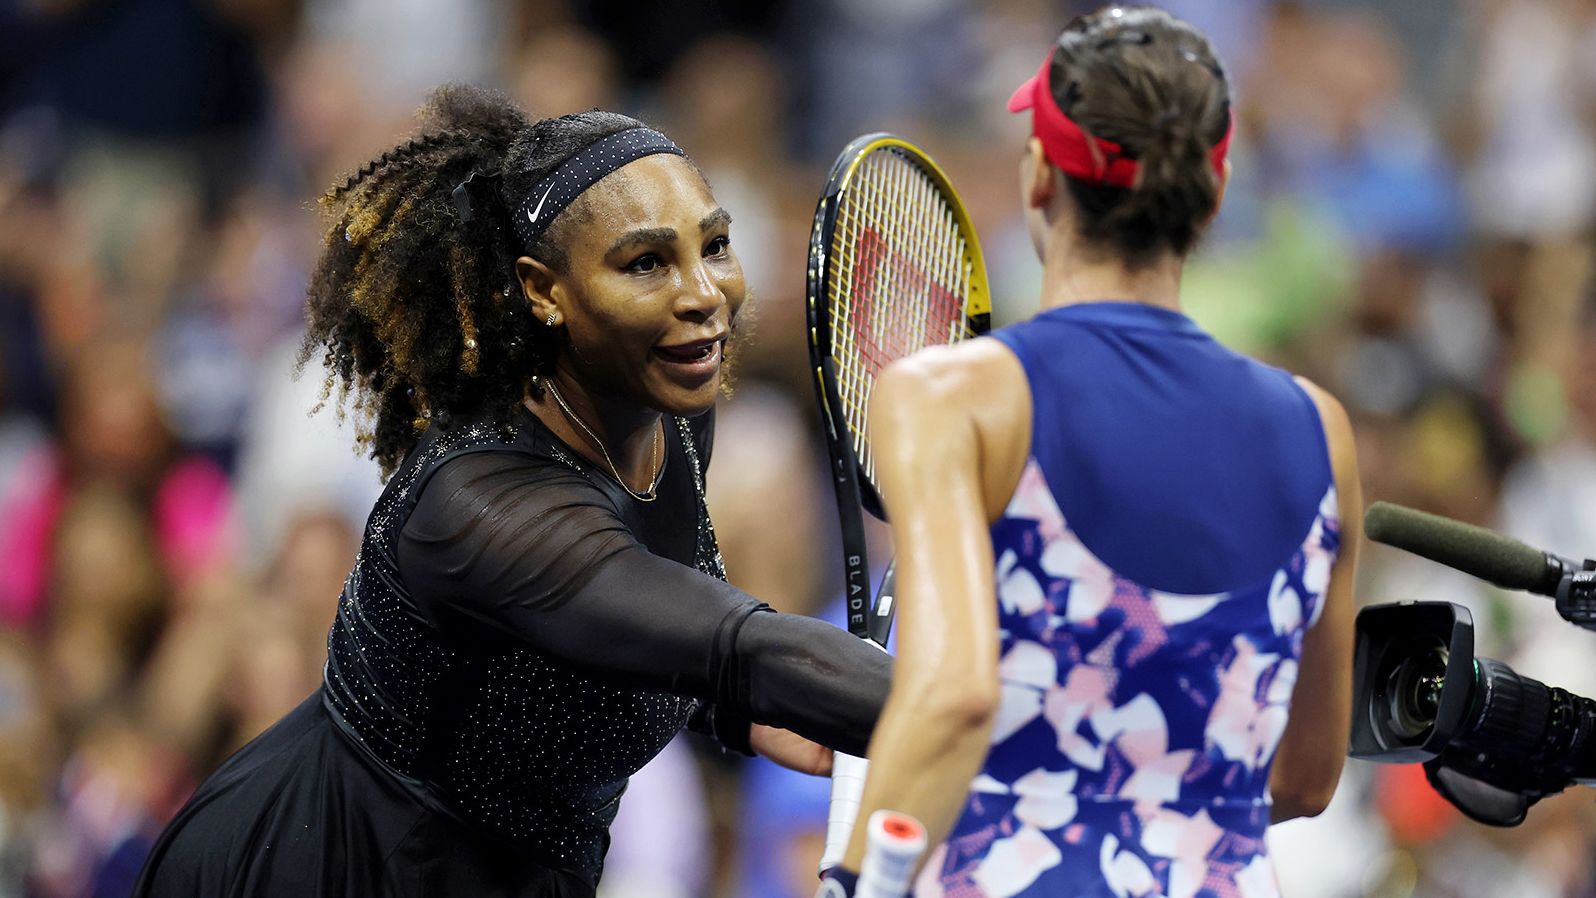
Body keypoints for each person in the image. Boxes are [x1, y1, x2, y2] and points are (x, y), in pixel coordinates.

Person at [133, 85, 893, 898]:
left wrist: (742, 714)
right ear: (543, 289)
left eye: (713, 245)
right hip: (325, 866)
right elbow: (729, 642)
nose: (702, 293)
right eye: (646, 262)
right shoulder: (482, 510)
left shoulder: (666, 408)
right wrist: (980, 704)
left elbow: (610, 648)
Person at [823, 7, 1360, 897]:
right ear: (1213, 196)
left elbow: (953, 698)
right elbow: (1305, 777)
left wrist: (853, 883)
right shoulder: (1322, 428)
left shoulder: (946, 396)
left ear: (1039, 177)